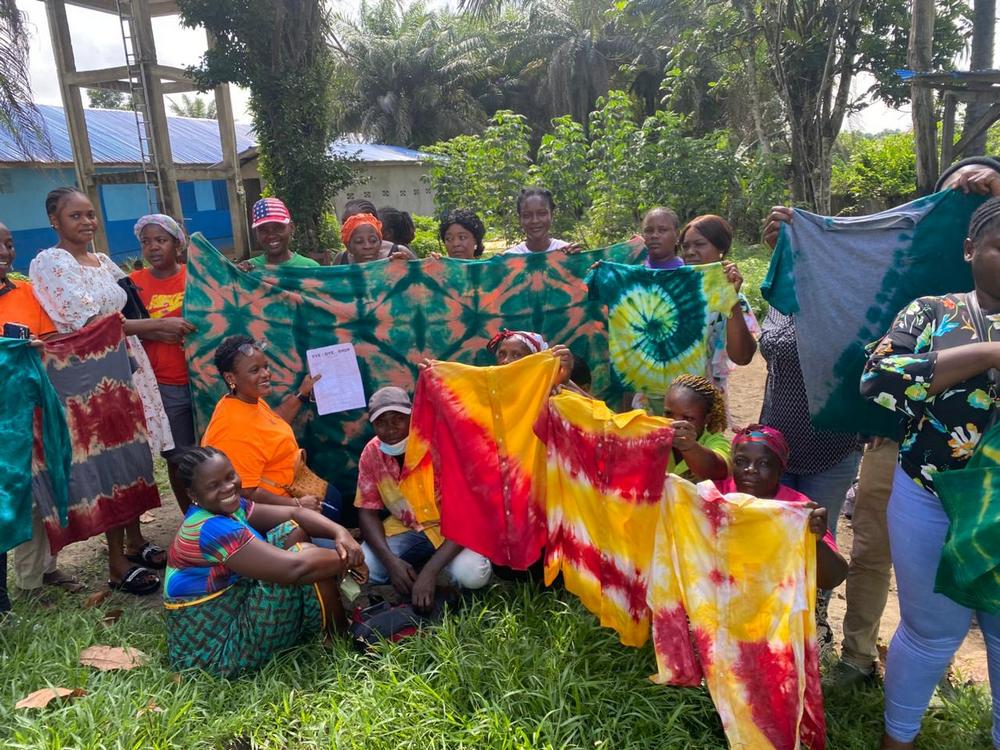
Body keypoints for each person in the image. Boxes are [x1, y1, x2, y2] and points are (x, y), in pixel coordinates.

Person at [764, 158, 1000, 691]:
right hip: (898, 440)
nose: (963, 196)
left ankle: (930, 661)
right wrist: (802, 242)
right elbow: (868, 352)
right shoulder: (906, 269)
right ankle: (860, 654)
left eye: (978, 190)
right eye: (950, 194)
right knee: (874, 547)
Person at [860, 197, 1000, 750]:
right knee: (929, 633)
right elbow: (878, 380)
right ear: (969, 251)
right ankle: (898, 739)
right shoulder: (931, 311)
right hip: (928, 497)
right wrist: (988, 352)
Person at [30, 187, 180, 594]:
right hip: (90, 375)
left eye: (91, 214)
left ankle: (134, 541)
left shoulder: (103, 260)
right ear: (55, 221)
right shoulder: (49, 262)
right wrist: (151, 328)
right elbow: (82, 321)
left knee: (133, 453)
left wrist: (141, 326)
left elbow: (124, 305)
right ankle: (115, 563)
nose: (87, 222)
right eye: (75, 216)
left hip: (126, 362)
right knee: (109, 458)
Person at [163, 446, 366, 676]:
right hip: (213, 654)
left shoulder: (228, 507)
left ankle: (327, 626)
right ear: (192, 495)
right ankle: (339, 636)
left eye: (230, 476)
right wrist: (349, 558)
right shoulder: (210, 529)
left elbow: (294, 515)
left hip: (234, 606)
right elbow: (295, 569)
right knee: (305, 557)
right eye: (213, 485)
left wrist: (342, 534)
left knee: (291, 532)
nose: (228, 487)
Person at [0, 221, 80, 611]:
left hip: (37, 412)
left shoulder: (27, 293)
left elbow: (50, 341)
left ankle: (45, 569)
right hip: (4, 425)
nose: (4, 251)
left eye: (8, 243)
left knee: (45, 488)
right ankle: (26, 585)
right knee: (12, 499)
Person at [355, 387, 491, 610]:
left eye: (399, 419)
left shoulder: (438, 444)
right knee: (365, 566)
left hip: (453, 530)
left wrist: (430, 572)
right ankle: (413, 573)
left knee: (473, 575)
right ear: (372, 426)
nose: (390, 429)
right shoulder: (371, 453)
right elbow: (367, 512)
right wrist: (391, 563)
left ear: (413, 416)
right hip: (406, 527)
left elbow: (468, 514)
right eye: (381, 422)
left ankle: (428, 574)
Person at [200, 335, 353, 525]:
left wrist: (301, 394)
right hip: (278, 512)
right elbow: (246, 492)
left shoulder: (246, 401)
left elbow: (273, 422)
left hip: (294, 488)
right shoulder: (232, 429)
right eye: (255, 370)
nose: (266, 374)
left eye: (266, 366)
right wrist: (296, 504)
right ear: (231, 377)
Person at [715, 425, 848, 591]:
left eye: (763, 463)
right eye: (741, 462)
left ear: (780, 469)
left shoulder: (797, 507)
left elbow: (833, 579)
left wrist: (816, 542)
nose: (751, 470)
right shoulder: (715, 496)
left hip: (775, 603)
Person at [129, 214, 197, 511]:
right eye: (146, 242)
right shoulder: (133, 284)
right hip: (164, 383)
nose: (153, 247)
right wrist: (159, 329)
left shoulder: (196, 276)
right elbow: (119, 327)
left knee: (214, 449)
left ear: (177, 244)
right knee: (178, 455)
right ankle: (191, 520)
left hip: (203, 379)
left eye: (161, 240)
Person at [677, 215, 758, 399]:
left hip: (702, 406)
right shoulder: (670, 293)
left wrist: (731, 299)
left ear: (721, 248)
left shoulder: (734, 299)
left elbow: (742, 357)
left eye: (699, 244)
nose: (690, 251)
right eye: (685, 246)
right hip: (659, 400)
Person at [664, 374, 730, 481]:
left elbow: (719, 470)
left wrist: (690, 447)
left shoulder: (715, 442)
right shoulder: (656, 436)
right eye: (668, 413)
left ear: (707, 418)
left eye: (688, 418)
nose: (675, 422)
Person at [240, 197, 320, 270]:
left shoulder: (310, 268)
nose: (271, 235)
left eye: (278, 228)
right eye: (263, 230)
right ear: (256, 234)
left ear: (291, 228)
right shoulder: (248, 270)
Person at [504, 187, 582, 255]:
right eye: (527, 215)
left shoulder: (567, 252)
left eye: (542, 213)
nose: (535, 220)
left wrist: (580, 262)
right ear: (520, 219)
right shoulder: (510, 259)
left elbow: (587, 271)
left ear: (552, 215)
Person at [334, 201, 415, 263]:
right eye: (344, 222)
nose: (367, 246)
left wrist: (410, 269)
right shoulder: (341, 259)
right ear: (348, 246)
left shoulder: (399, 253)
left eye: (373, 240)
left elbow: (421, 280)